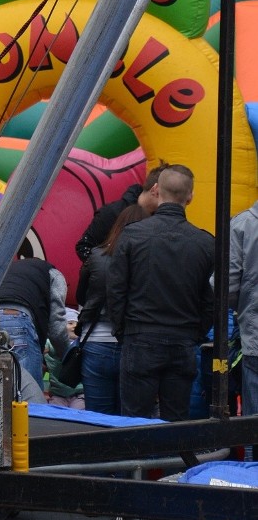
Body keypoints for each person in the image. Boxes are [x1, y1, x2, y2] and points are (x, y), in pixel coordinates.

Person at [107, 164, 214, 421]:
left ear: (156, 190)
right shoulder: (206, 243)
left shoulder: (132, 235)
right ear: (190, 197)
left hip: (140, 337)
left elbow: (116, 290)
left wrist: (123, 331)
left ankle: (137, 463)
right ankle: (175, 462)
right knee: (176, 424)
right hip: (182, 341)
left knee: (134, 423)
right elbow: (211, 301)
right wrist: (195, 335)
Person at [76, 203, 153, 415]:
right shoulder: (150, 262)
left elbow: (81, 296)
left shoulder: (96, 256)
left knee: (97, 419)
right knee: (128, 419)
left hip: (96, 342)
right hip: (134, 343)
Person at [0, 255, 73, 390]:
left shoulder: (8, 269)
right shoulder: (54, 274)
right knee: (29, 393)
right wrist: (67, 357)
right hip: (18, 318)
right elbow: (56, 326)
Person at [75, 163, 164, 263]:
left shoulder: (162, 221)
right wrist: (108, 270)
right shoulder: (112, 212)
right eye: (169, 195)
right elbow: (84, 247)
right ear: (155, 190)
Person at [229, 196, 258, 430]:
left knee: (252, 427)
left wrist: (240, 306)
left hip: (256, 339)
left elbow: (226, 286)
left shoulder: (243, 224)